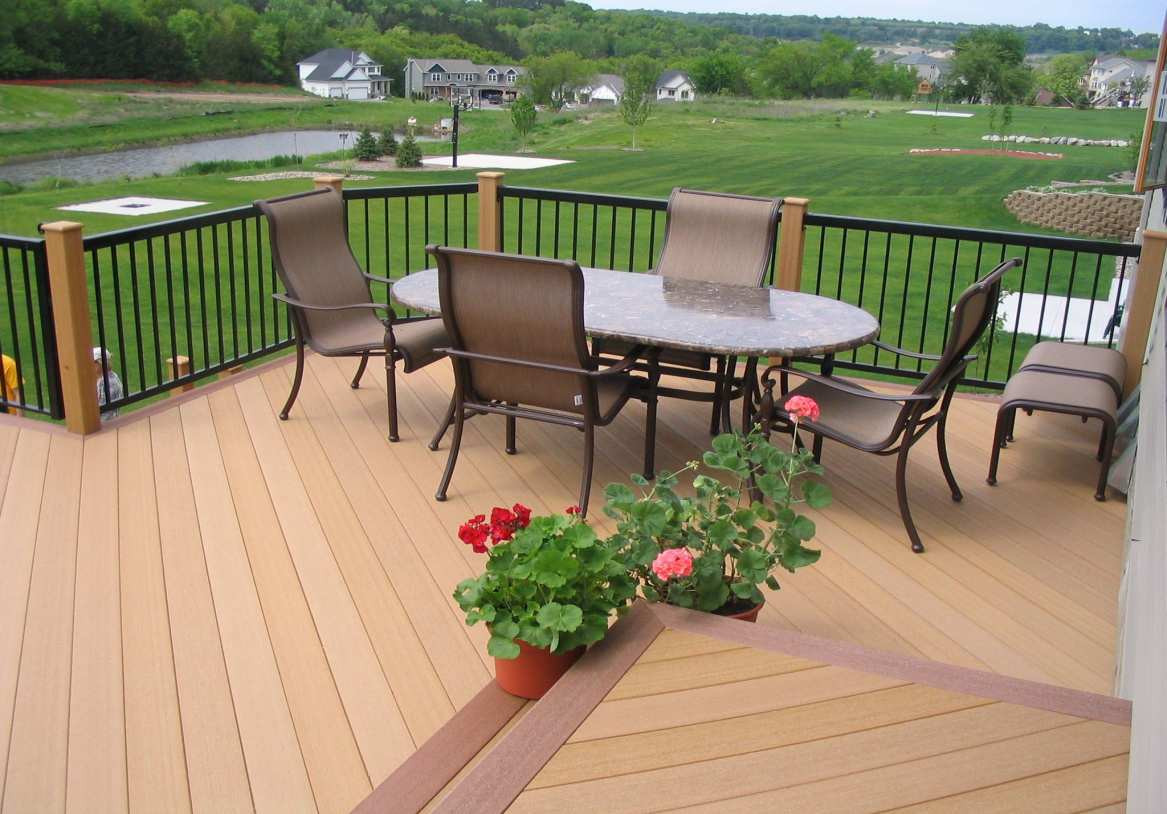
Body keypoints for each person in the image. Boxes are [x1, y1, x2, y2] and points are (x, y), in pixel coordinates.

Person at [93, 347, 124, 418]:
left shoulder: (107, 382)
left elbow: (105, 412)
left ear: (100, 363)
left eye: (93, 362)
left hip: (107, 423)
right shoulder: (105, 378)